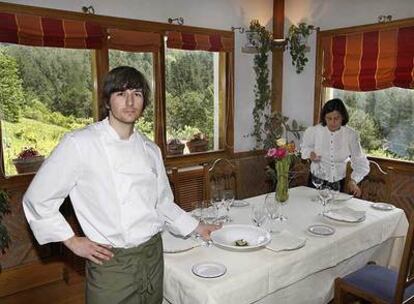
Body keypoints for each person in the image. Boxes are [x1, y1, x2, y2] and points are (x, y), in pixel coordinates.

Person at [23, 66, 219, 304]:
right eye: (120, 94)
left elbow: (163, 204)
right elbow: (37, 199)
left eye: (137, 93)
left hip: (152, 255)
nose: (129, 101)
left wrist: (198, 227)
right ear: (107, 101)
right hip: (111, 264)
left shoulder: (150, 149)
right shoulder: (80, 144)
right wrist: (72, 241)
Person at [300, 98, 369, 197]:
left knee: (334, 211)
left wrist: (354, 180)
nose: (332, 122)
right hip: (316, 182)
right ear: (324, 117)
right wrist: (310, 153)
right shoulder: (314, 131)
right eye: (329, 118)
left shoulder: (351, 135)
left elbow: (360, 161)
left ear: (343, 117)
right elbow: (304, 148)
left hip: (338, 183)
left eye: (336, 118)